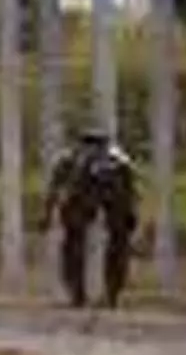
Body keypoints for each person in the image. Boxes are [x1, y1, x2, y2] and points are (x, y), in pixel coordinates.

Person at [42, 129, 138, 309]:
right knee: (118, 241)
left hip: (82, 196)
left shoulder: (71, 156)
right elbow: (130, 191)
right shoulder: (119, 158)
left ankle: (78, 294)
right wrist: (131, 214)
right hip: (112, 197)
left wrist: (47, 213)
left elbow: (55, 188)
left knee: (74, 242)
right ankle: (112, 293)